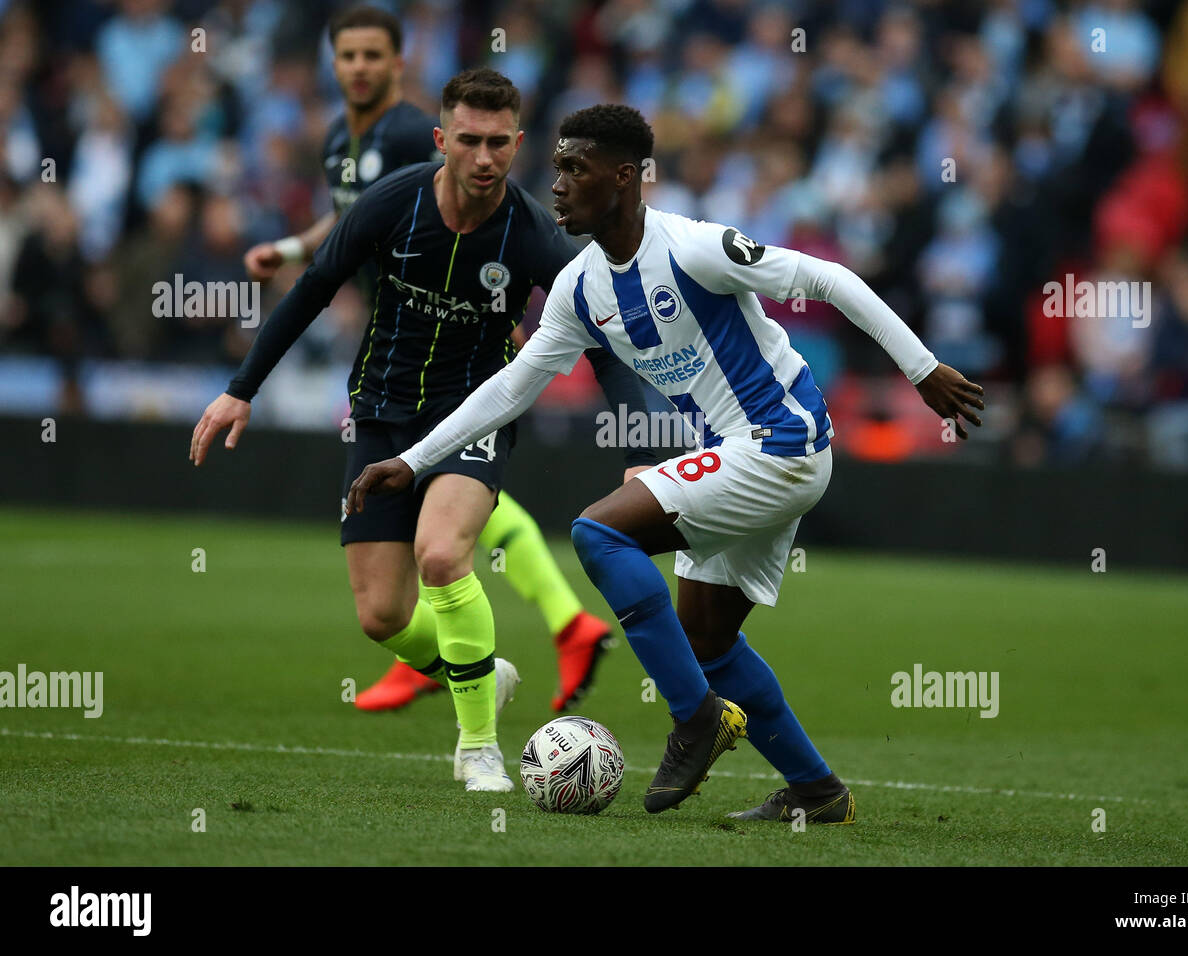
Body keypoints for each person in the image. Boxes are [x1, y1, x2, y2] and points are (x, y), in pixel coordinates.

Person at [347, 105, 985, 820]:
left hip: (782, 442)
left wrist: (923, 369)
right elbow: (511, 385)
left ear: (623, 177)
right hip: (741, 455)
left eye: (575, 169)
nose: (556, 184)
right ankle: (817, 791)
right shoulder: (581, 287)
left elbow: (830, 280)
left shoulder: (695, 247)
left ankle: (697, 720)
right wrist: (414, 459)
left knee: (598, 533)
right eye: (556, 168)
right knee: (708, 640)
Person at [191, 71, 653, 792]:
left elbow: (606, 344)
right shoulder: (392, 203)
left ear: (519, 144)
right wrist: (239, 391)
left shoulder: (534, 234)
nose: (484, 157)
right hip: (380, 413)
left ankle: (478, 749)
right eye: (468, 140)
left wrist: (638, 454)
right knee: (381, 617)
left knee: (442, 556)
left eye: (499, 143)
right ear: (442, 141)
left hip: (476, 414)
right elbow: (314, 288)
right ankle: (478, 672)